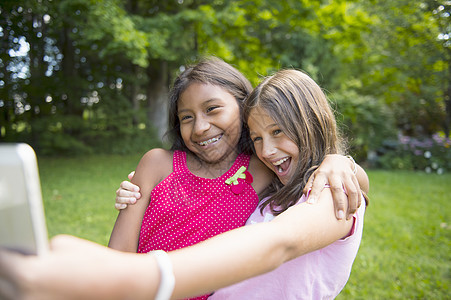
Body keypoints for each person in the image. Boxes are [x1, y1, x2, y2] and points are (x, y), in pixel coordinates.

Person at [0, 68, 368, 300]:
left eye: (278, 133)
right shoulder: (284, 186)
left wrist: (136, 279)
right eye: (256, 138)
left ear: (313, 123)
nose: (267, 150)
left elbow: (280, 242)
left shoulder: (334, 195)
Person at [108, 57, 365, 300]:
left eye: (212, 109)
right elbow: (117, 257)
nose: (200, 127)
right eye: (187, 117)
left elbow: (283, 237)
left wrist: (341, 162)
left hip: (157, 280)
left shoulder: (264, 171)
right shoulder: (157, 164)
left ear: (243, 109)